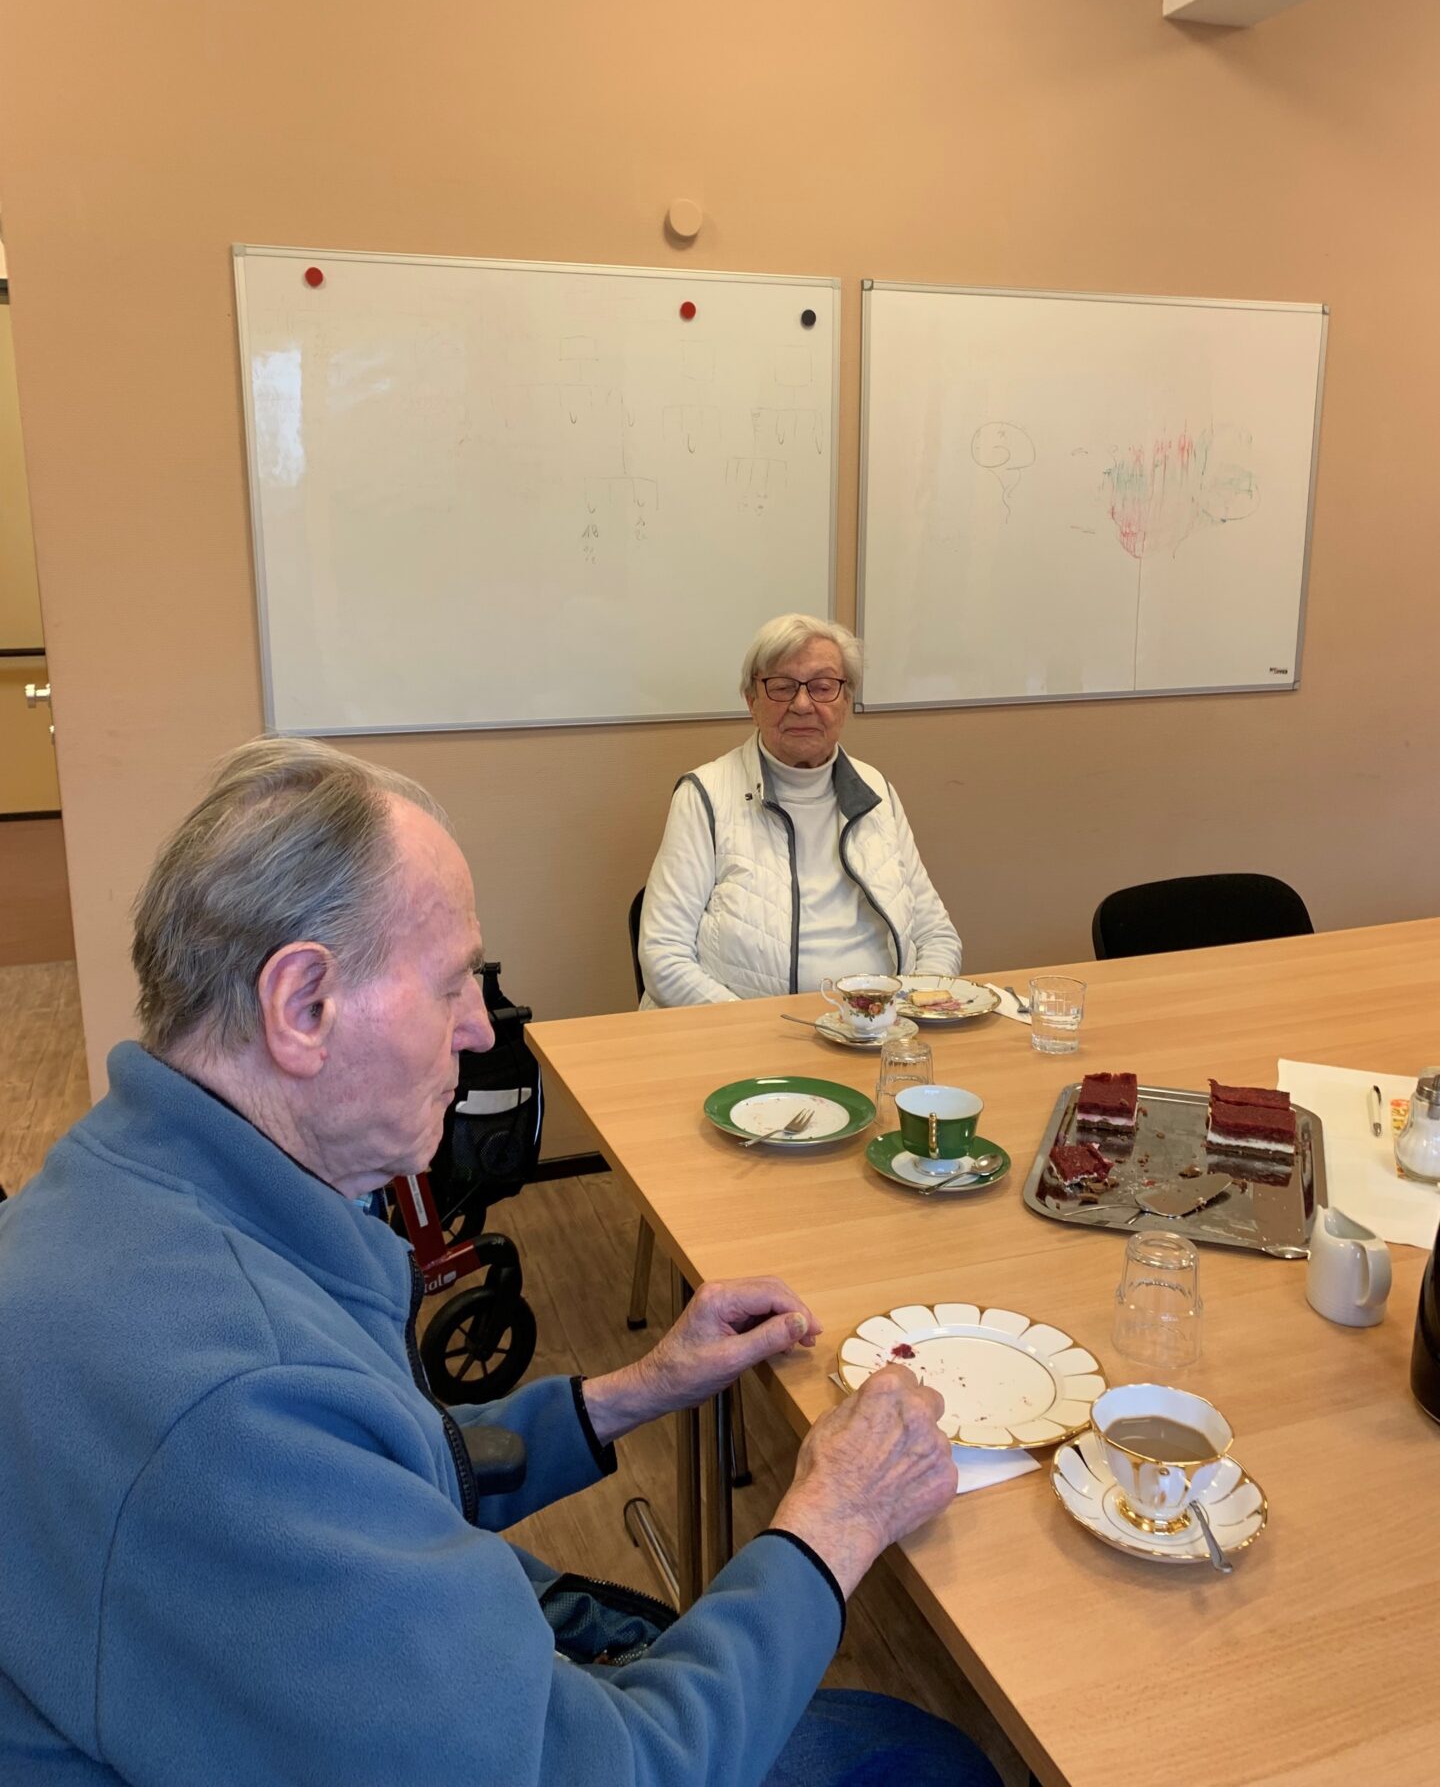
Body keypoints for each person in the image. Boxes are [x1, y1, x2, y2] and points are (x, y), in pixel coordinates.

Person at [0, 736, 998, 1787]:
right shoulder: (230, 1404)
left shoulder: (122, 1191)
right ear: (303, 1007)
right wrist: (833, 1521)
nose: (480, 1029)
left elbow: (370, 1463)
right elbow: (614, 1773)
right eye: (450, 986)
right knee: (914, 1757)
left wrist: (631, 1390)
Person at [639, 614, 962, 1006]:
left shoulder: (876, 790)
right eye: (781, 687)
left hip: (880, 1030)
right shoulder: (704, 795)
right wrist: (753, 1036)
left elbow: (935, 935)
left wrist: (907, 1011)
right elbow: (663, 955)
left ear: (845, 700)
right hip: (751, 1042)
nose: (803, 705)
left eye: (823, 687)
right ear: (751, 701)